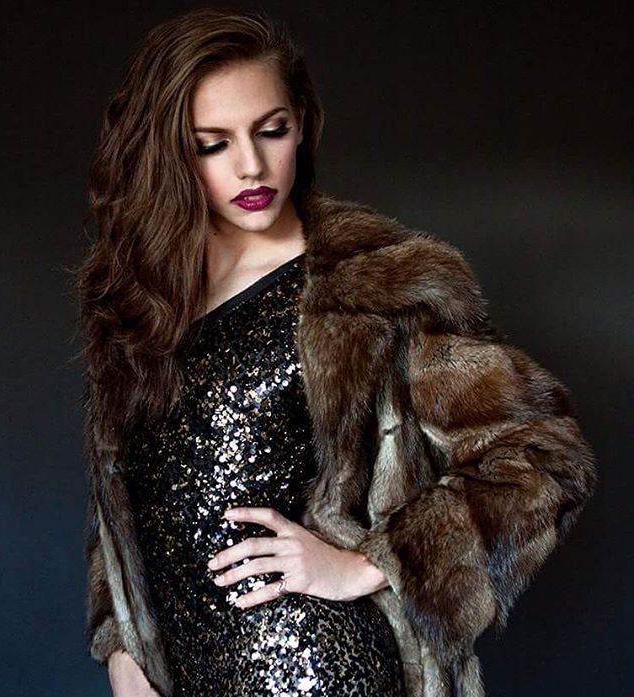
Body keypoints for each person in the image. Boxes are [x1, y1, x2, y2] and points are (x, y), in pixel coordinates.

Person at [76, 6, 598, 697]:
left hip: (324, 672)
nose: (252, 165)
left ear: (301, 123)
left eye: (272, 131)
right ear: (169, 152)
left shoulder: (377, 286)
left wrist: (370, 564)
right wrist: (121, 646)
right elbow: (130, 502)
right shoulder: (139, 301)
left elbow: (544, 455)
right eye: (212, 144)